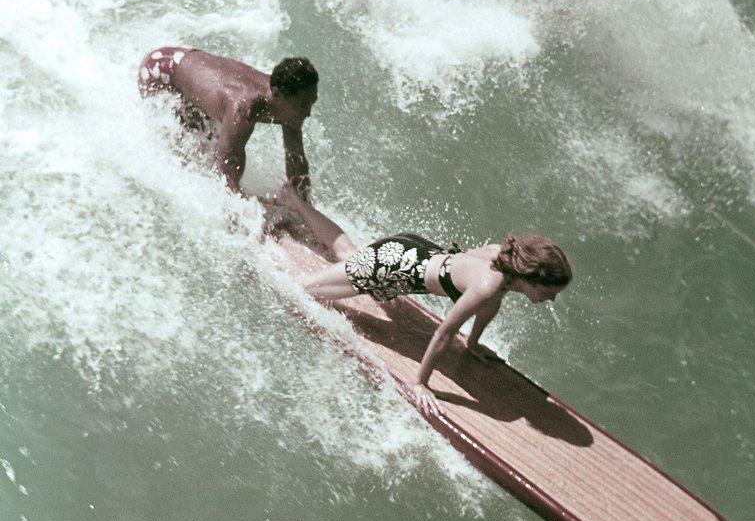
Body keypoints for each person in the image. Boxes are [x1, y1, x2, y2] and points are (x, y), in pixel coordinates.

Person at [276, 185, 573, 417]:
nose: (551, 299)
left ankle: (294, 201)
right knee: (302, 289)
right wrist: (420, 383)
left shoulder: (502, 260)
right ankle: (258, 242)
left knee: (351, 255)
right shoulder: (488, 284)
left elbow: (490, 306)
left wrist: (472, 344)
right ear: (534, 276)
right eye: (549, 292)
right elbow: (445, 331)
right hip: (394, 266)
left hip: (415, 249)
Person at [138, 47, 318, 197]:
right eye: (302, 106)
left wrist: (305, 207)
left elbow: (296, 164)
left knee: (207, 144)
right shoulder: (243, 111)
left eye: (311, 103)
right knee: (189, 159)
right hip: (160, 71)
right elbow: (229, 182)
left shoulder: (291, 104)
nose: (308, 112)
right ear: (278, 94)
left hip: (188, 59)